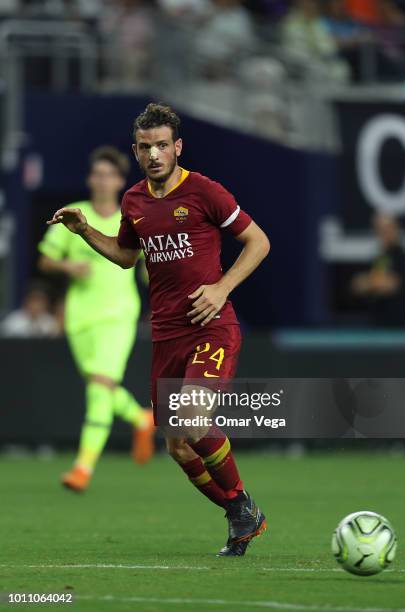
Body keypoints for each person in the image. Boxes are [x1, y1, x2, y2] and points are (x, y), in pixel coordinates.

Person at [46, 103, 270, 556]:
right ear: (136, 150)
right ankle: (240, 511)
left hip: (211, 327)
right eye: (146, 147)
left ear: (178, 147)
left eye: (162, 146)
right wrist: (86, 229)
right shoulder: (133, 201)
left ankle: (243, 507)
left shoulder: (206, 192)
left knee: (191, 420)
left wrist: (222, 287)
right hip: (166, 337)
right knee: (179, 449)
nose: (154, 155)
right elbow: (128, 256)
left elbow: (258, 242)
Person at [38, 146, 155, 492]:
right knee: (100, 384)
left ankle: (82, 468)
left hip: (118, 315)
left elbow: (149, 265)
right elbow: (45, 260)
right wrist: (67, 266)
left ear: (120, 180)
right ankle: (140, 418)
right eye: (97, 174)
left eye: (109, 174)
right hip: (80, 317)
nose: (101, 180)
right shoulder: (72, 216)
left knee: (99, 389)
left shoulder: (130, 218)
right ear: (90, 178)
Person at [351, 214, 405, 326]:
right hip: (377, 323)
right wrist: (373, 282)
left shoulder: (401, 258)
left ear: (396, 229)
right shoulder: (378, 257)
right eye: (380, 229)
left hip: (398, 325)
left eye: (387, 229)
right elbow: (357, 285)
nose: (384, 233)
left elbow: (391, 284)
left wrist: (370, 282)